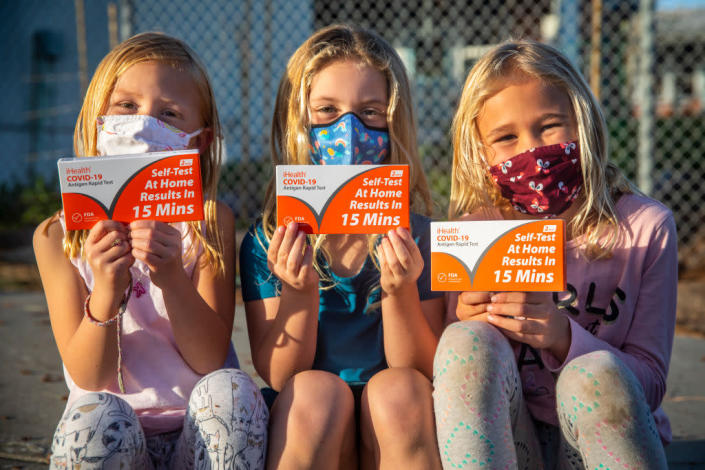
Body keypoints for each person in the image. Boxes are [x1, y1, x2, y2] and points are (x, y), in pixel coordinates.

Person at [433, 39, 676, 469]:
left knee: (593, 373)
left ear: (583, 124)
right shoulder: (474, 234)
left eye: (549, 127)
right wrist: (467, 322)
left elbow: (651, 383)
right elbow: (460, 380)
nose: (532, 151)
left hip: (600, 442)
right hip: (511, 440)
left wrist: (563, 337)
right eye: (506, 137)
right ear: (480, 151)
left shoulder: (646, 227)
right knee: (463, 340)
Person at [34, 32, 268, 469]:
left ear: (199, 141)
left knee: (233, 391)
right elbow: (88, 376)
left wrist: (171, 276)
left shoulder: (209, 222)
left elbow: (208, 358)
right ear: (96, 120)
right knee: (92, 415)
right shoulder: (57, 236)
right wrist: (106, 287)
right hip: (115, 436)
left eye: (169, 114)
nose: (144, 123)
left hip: (198, 436)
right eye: (127, 106)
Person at [239, 24, 445, 470]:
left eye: (371, 113)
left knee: (400, 392)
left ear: (396, 123)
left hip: (393, 421)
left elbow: (423, 370)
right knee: (316, 393)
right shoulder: (267, 239)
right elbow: (279, 374)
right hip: (312, 419)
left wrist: (400, 290)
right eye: (327, 111)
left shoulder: (420, 235)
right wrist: (298, 292)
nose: (349, 130)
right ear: (297, 122)